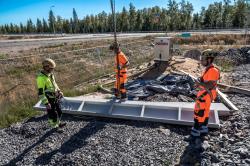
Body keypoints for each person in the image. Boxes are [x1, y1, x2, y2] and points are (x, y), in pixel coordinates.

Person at [190, 49, 220, 138]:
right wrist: (200, 80)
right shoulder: (209, 69)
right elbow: (207, 81)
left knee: (199, 112)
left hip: (206, 94)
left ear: (209, 60)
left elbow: (209, 85)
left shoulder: (213, 70)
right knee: (205, 112)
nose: (201, 61)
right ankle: (203, 129)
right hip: (207, 93)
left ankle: (195, 132)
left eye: (203, 59)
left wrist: (198, 83)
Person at [36, 58, 66, 128]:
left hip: (55, 96)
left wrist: (59, 91)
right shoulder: (41, 78)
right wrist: (46, 103)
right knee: (52, 114)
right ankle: (54, 126)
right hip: (49, 99)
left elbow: (54, 84)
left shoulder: (50, 74)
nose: (52, 70)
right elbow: (40, 92)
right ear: (46, 67)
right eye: (51, 68)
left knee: (59, 111)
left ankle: (58, 123)